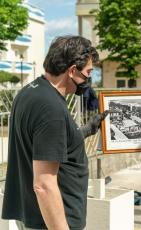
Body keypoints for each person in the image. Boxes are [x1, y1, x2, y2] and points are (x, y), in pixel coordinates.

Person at [2, 36, 108, 230]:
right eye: (88, 73)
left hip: (31, 213)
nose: (89, 79)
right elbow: (43, 185)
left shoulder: (29, 92)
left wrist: (87, 129)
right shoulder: (51, 109)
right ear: (72, 71)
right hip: (51, 221)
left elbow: (46, 140)